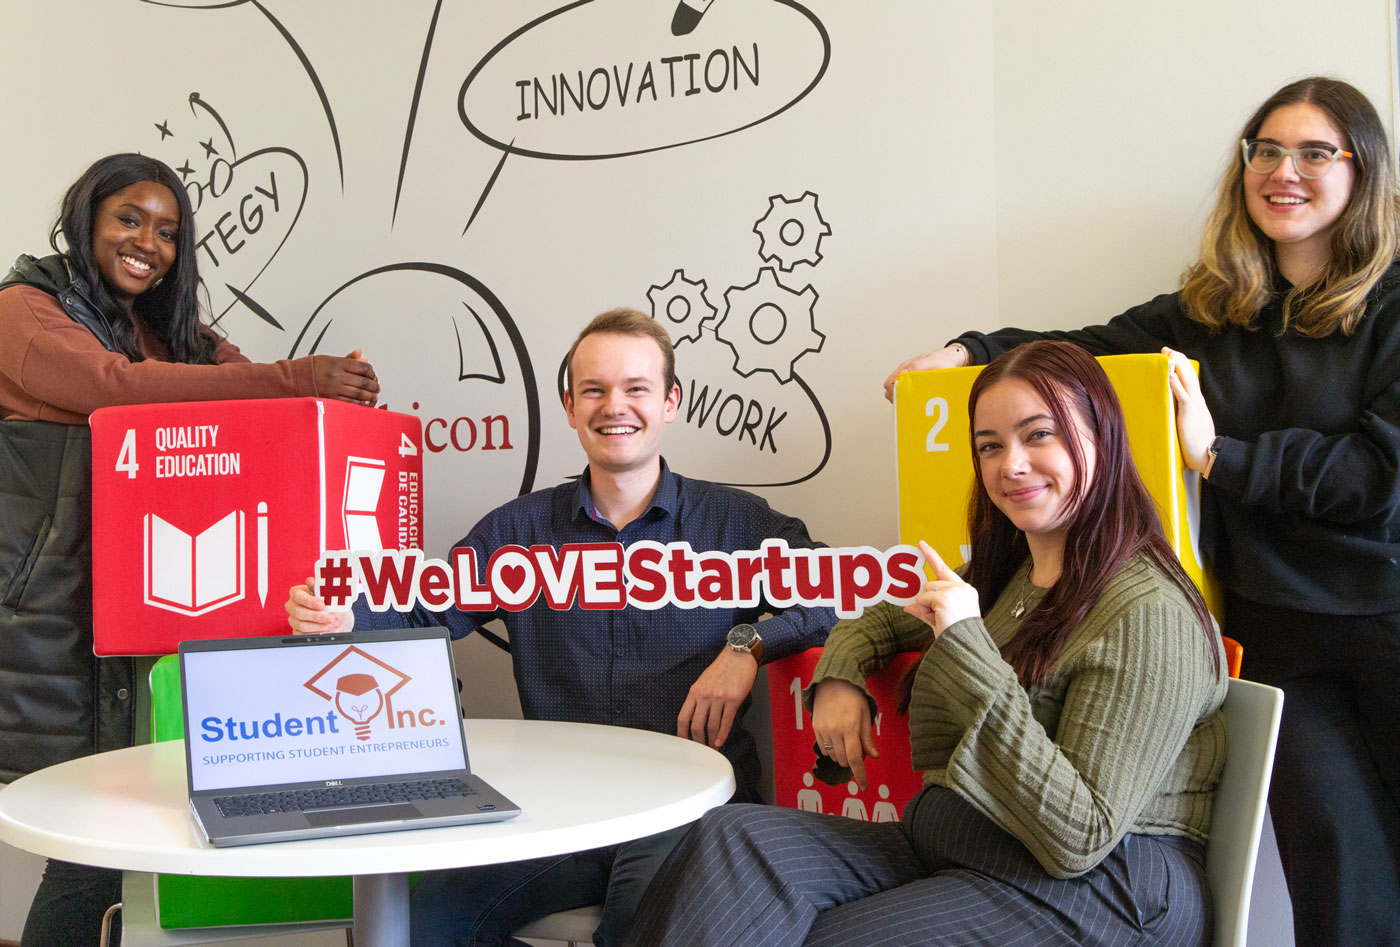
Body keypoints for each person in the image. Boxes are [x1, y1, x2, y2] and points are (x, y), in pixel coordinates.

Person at [882, 76, 1400, 947]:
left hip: (1387, 614)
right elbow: (1081, 351)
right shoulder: (1215, 310)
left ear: (1363, 170)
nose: (1284, 171)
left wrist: (1221, 455)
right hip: (1279, 632)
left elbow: (1381, 475)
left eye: (1315, 152)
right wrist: (968, 353)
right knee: (1335, 867)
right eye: (1267, 151)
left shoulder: (1391, 305)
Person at [623, 340, 1226, 947]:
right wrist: (839, 675)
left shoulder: (1148, 612)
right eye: (989, 446)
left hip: (1107, 887)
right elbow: (886, 621)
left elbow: (1079, 836)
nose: (1011, 465)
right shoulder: (1014, 576)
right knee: (731, 839)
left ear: (1103, 439)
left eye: (1038, 435)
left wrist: (967, 645)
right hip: (966, 845)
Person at [285, 307, 836, 947]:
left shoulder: (735, 522)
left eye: (636, 388)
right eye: (594, 390)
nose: (615, 406)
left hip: (691, 812)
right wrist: (345, 616)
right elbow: (423, 610)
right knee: (418, 927)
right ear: (570, 407)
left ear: (670, 402)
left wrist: (746, 645)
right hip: (559, 810)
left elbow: (835, 592)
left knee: (643, 931)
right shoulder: (518, 532)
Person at [0, 152, 379, 947]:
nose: (149, 243)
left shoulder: (165, 327)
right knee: (88, 842)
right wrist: (298, 379)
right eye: (129, 219)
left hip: (155, 610)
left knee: (146, 833)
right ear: (86, 217)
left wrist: (327, 391)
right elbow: (115, 389)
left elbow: (248, 390)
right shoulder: (22, 309)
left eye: (168, 231)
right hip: (54, 617)